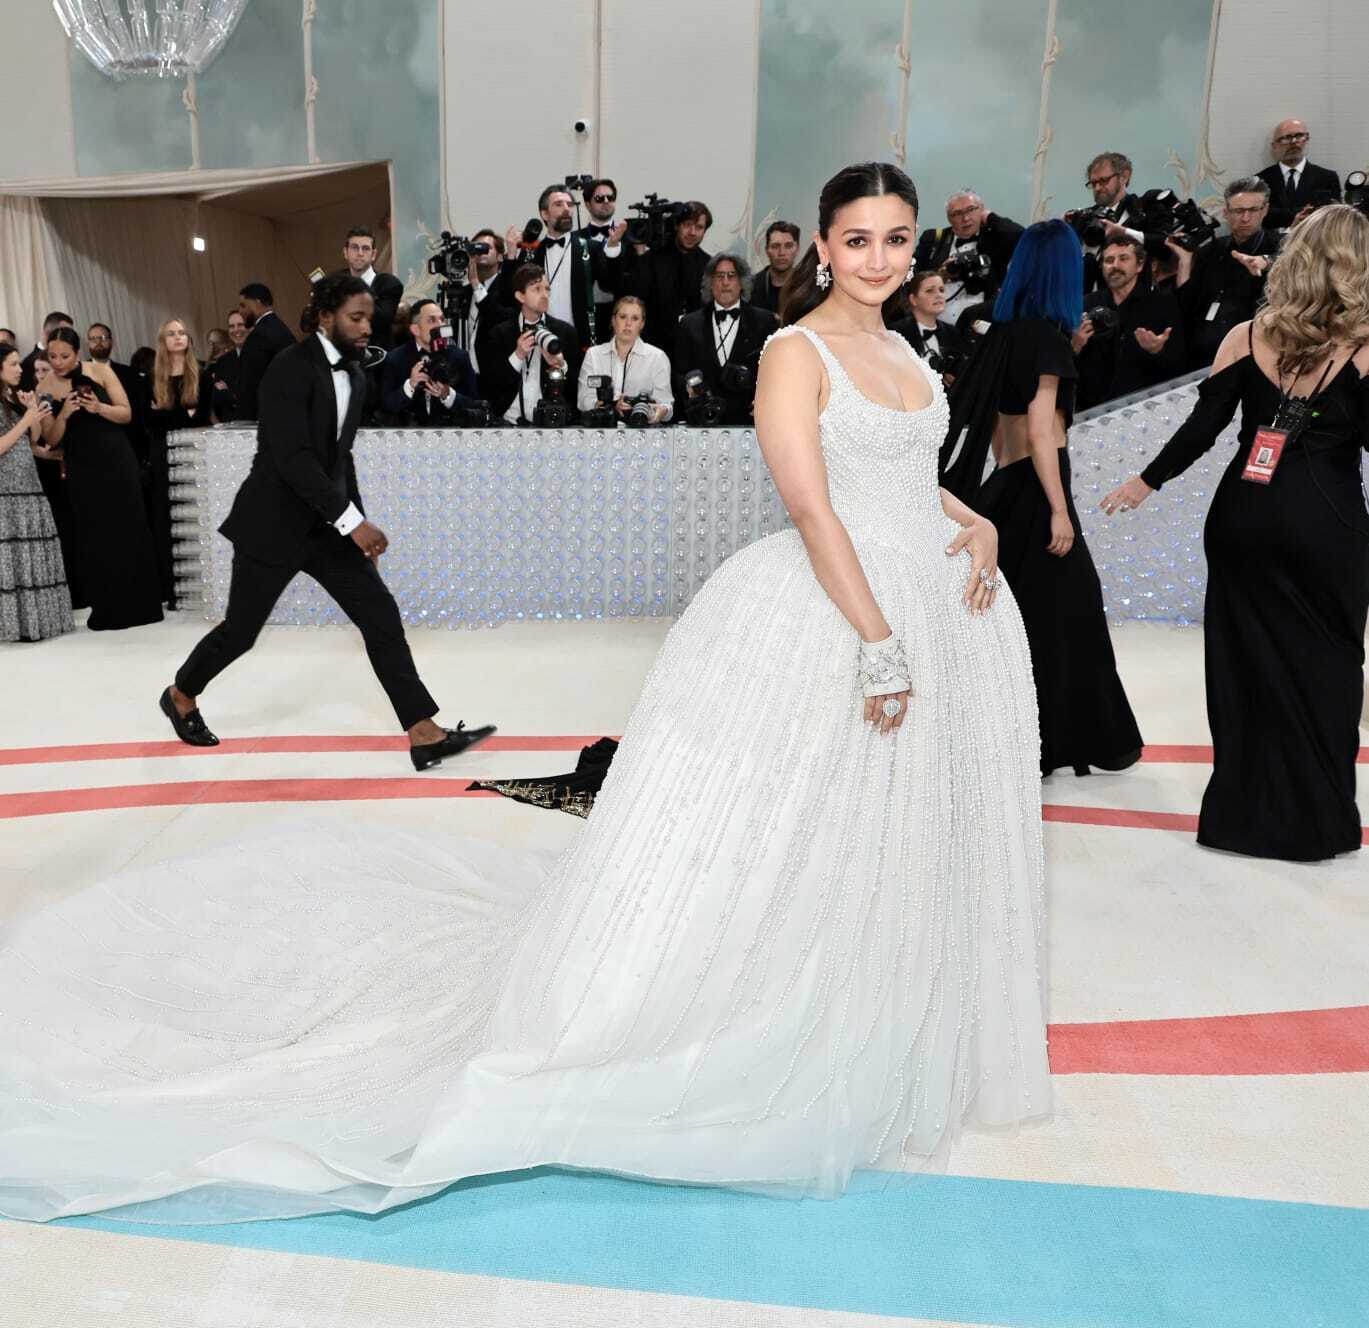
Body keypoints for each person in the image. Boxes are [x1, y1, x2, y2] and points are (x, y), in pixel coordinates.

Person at [0, 162, 1050, 1225]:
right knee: (778, 832)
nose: (880, 257)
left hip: (920, 595)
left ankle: (864, 1001)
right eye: (858, 238)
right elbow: (812, 504)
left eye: (898, 237)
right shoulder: (795, 350)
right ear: (821, 246)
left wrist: (972, 516)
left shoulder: (907, 347)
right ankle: (763, 1005)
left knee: (872, 829)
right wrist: (876, 642)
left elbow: (901, 476)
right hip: (838, 613)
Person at [1101, 203, 1369, 861]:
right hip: (1326, 520)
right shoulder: (1363, 348)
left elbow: (1201, 430)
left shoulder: (1245, 335)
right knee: (1329, 663)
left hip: (1242, 517)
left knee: (1240, 661)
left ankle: (1240, 816)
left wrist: (1145, 481)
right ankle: (1316, 819)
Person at [159, 272, 495, 771]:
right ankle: (181, 694)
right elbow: (292, 459)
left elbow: (340, 460)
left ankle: (423, 732)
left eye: (369, 320)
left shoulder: (357, 375)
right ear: (324, 317)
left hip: (327, 528)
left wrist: (356, 527)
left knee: (380, 615)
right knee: (241, 632)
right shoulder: (288, 368)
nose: (366, 328)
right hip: (272, 523)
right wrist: (351, 521)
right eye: (355, 318)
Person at [942, 221, 1143, 776]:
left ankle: (1033, 740)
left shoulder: (1006, 334)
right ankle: (1066, 743)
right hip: (1037, 490)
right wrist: (1059, 509)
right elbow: (1040, 431)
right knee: (1069, 618)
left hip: (1001, 492)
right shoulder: (1047, 341)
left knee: (1027, 621)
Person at [37, 328, 162, 631]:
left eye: (64, 356)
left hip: (116, 459)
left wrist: (98, 407)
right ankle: (107, 608)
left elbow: (126, 414)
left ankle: (143, 606)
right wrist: (64, 414)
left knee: (129, 525)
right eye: (52, 356)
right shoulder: (44, 385)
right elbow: (51, 438)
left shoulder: (100, 370)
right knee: (94, 534)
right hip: (81, 466)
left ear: (77, 354)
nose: (58, 362)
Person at [0, 343, 73, 641]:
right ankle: (14, 624)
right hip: (6, 490)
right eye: (14, 364)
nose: (21, 369)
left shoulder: (12, 397)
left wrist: (32, 414)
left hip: (28, 483)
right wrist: (27, 420)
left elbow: (35, 439)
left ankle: (35, 622)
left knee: (31, 553)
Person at [500, 185, 626, 349]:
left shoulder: (590, 248)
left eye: (569, 204)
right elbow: (508, 297)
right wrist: (510, 256)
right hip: (540, 341)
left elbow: (610, 285)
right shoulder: (531, 253)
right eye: (559, 204)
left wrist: (613, 247)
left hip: (580, 342)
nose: (567, 209)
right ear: (544, 214)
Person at [1171, 177, 1279, 369]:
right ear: (1226, 213)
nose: (1245, 218)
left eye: (1253, 210)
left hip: (1252, 357)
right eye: (1238, 211)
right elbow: (1187, 303)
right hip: (1200, 356)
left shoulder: (1280, 248)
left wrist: (1266, 262)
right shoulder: (1212, 249)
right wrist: (1185, 261)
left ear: (1265, 210)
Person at [145, 318, 213, 608]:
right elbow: (150, 423)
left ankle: (200, 586)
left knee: (193, 517)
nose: (177, 337)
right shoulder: (151, 378)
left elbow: (200, 418)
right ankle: (170, 591)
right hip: (162, 454)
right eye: (171, 334)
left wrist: (167, 413)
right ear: (163, 340)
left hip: (192, 452)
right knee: (165, 519)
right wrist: (181, 415)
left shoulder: (202, 375)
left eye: (182, 332)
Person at [1074, 235, 1186, 408]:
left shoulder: (1162, 305)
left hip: (1142, 407)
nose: (1115, 266)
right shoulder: (1085, 305)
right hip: (1089, 409)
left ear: (1140, 265)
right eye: (1109, 260)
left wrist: (1157, 351)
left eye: (1123, 259)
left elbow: (1179, 364)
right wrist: (1075, 346)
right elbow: (1066, 361)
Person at [670, 252, 778, 425]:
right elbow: (679, 373)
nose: (725, 282)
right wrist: (689, 388)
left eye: (731, 276)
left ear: (742, 282)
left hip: (749, 419)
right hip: (702, 419)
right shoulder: (689, 324)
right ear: (710, 283)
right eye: (719, 276)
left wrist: (765, 399)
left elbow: (775, 370)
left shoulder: (765, 322)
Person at [480, 266, 582, 425]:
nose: (545, 295)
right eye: (537, 289)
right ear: (520, 296)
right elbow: (491, 385)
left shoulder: (566, 333)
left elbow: (576, 390)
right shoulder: (499, 334)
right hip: (507, 422)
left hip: (552, 423)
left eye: (547, 289)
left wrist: (561, 366)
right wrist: (518, 356)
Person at [915, 190, 1024, 325]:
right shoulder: (933, 239)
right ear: (949, 218)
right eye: (957, 214)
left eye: (971, 209)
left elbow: (1022, 237)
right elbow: (912, 279)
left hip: (981, 325)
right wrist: (941, 274)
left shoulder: (995, 240)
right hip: (937, 324)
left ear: (982, 209)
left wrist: (990, 217)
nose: (966, 218)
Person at [380, 298, 481, 425]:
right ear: (415, 329)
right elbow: (386, 406)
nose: (440, 325)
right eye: (432, 320)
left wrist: (448, 395)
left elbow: (476, 406)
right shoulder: (395, 358)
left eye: (442, 319)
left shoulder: (459, 357)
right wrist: (410, 386)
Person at [626, 200, 713, 347]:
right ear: (677, 226)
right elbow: (636, 298)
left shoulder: (709, 265)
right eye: (687, 225)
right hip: (654, 344)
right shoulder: (652, 258)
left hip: (693, 346)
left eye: (699, 227)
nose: (692, 232)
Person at [576, 295, 673, 422]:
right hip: (602, 430)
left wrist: (660, 411)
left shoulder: (657, 357)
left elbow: (666, 405)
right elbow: (583, 400)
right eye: (623, 317)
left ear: (642, 324)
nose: (628, 324)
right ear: (613, 320)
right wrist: (612, 406)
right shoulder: (594, 355)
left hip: (642, 431)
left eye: (635, 318)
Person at [1256, 119, 1341, 230]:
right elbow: (1261, 217)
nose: (1294, 141)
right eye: (1286, 138)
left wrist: (1278, 214)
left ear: (1307, 139)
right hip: (1273, 244)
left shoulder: (1327, 178)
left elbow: (1333, 216)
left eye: (1299, 135)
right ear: (1274, 146)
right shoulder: (1260, 180)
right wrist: (1305, 212)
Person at [889, 271, 966, 382]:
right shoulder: (895, 333)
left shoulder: (952, 332)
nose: (939, 295)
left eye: (942, 290)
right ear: (913, 299)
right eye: (930, 291)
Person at [235, 282, 296, 419]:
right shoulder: (281, 329)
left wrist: (244, 423)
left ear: (257, 303)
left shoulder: (260, 335)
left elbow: (250, 387)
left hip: (264, 421)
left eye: (243, 305)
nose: (240, 311)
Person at [343, 224, 404, 351]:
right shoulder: (336, 280)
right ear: (346, 253)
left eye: (365, 248)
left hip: (378, 358)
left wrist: (353, 285)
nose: (360, 253)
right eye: (354, 248)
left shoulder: (389, 283)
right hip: (343, 356)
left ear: (373, 254)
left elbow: (381, 321)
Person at [578, 177, 624, 331]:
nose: (606, 201)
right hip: (584, 316)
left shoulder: (630, 237)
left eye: (610, 198)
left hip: (620, 317)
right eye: (599, 198)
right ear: (587, 204)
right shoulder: (575, 239)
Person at [748, 220, 801, 313]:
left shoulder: (808, 286)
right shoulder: (750, 287)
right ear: (767, 250)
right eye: (775, 246)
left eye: (788, 246)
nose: (782, 253)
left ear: (797, 249)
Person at [210, 308, 249, 420]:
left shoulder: (262, 356)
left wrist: (229, 392)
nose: (236, 330)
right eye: (231, 326)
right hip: (230, 426)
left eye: (240, 325)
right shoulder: (222, 362)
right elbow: (218, 399)